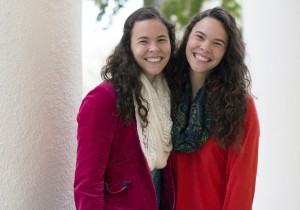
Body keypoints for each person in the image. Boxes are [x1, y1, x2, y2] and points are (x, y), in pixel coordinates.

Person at [74, 6, 176, 210]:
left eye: (161, 40)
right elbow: (87, 182)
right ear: (128, 47)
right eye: (143, 41)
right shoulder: (103, 98)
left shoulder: (168, 94)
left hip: (158, 198)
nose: (154, 48)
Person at [170, 7, 260, 210]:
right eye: (199, 37)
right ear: (187, 37)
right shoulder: (167, 95)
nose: (205, 47)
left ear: (227, 52)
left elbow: (241, 185)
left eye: (217, 43)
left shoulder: (239, 105)